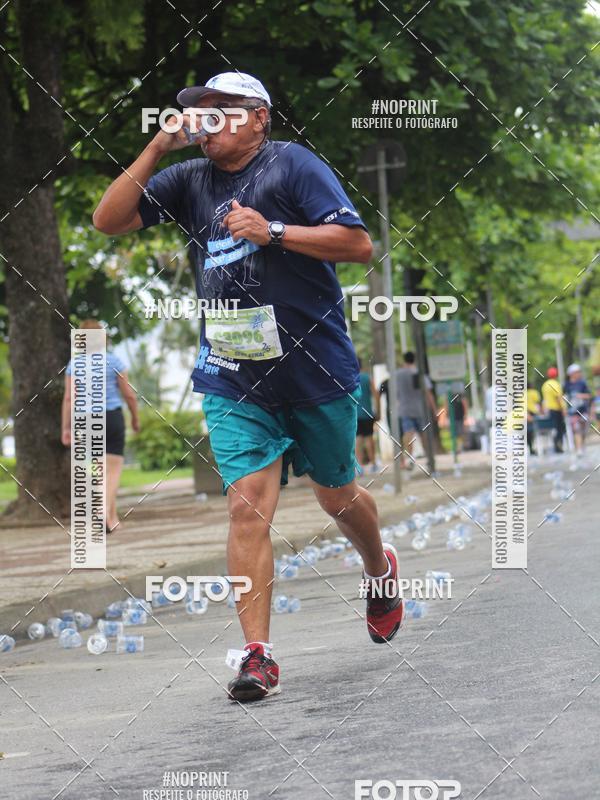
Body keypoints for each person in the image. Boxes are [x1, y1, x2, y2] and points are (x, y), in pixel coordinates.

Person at [92, 72, 404, 702]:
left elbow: (359, 244)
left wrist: (275, 233)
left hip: (315, 368)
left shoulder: (295, 167)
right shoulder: (189, 180)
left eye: (222, 111)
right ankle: (256, 655)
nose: (207, 122)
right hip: (234, 374)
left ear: (260, 116)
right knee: (246, 506)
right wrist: (157, 149)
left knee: (337, 497)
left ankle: (379, 567)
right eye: (199, 113)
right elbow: (108, 220)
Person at [61, 319, 140, 532]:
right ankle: (104, 512)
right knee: (111, 471)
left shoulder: (74, 365)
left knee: (98, 470)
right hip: (111, 417)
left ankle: (111, 518)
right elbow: (129, 395)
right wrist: (135, 418)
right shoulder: (114, 361)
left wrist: (66, 428)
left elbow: (69, 398)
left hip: (85, 420)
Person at [394, 351, 437, 468]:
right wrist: (434, 410)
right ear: (414, 360)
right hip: (420, 409)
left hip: (404, 409)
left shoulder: (398, 375)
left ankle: (410, 458)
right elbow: (428, 393)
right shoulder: (419, 373)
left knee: (408, 433)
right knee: (424, 434)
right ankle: (429, 459)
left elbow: (395, 393)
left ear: (404, 360)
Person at [355, 357, 380, 471]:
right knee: (369, 437)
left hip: (355, 414)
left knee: (358, 439)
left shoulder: (351, 379)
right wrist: (378, 411)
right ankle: (374, 464)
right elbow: (376, 395)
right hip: (367, 413)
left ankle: (359, 466)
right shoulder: (367, 378)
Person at [563, 363, 592, 454]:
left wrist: (580, 396)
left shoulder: (582, 383)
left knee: (583, 430)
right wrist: (564, 408)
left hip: (583, 410)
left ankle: (581, 445)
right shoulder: (566, 385)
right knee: (576, 430)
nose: (579, 373)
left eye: (579, 372)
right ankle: (579, 449)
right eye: (577, 372)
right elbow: (563, 397)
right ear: (571, 373)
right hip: (572, 412)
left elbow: (589, 395)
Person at [541, 366, 566, 453]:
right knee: (560, 428)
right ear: (556, 375)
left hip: (549, 410)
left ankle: (556, 445)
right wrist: (563, 409)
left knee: (553, 428)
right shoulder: (556, 384)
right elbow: (558, 398)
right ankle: (558, 445)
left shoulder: (545, 385)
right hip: (557, 409)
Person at [443, 388, 468, 453]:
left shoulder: (460, 393)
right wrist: (445, 416)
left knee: (460, 433)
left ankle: (461, 447)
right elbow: (446, 405)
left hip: (459, 416)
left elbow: (464, 403)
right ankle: (457, 448)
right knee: (454, 434)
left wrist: (465, 415)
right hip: (452, 417)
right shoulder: (448, 393)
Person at [526, 381, 541, 455]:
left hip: (526, 414)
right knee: (536, 431)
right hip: (534, 413)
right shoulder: (534, 393)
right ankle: (536, 447)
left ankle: (531, 447)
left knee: (529, 432)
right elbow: (538, 403)